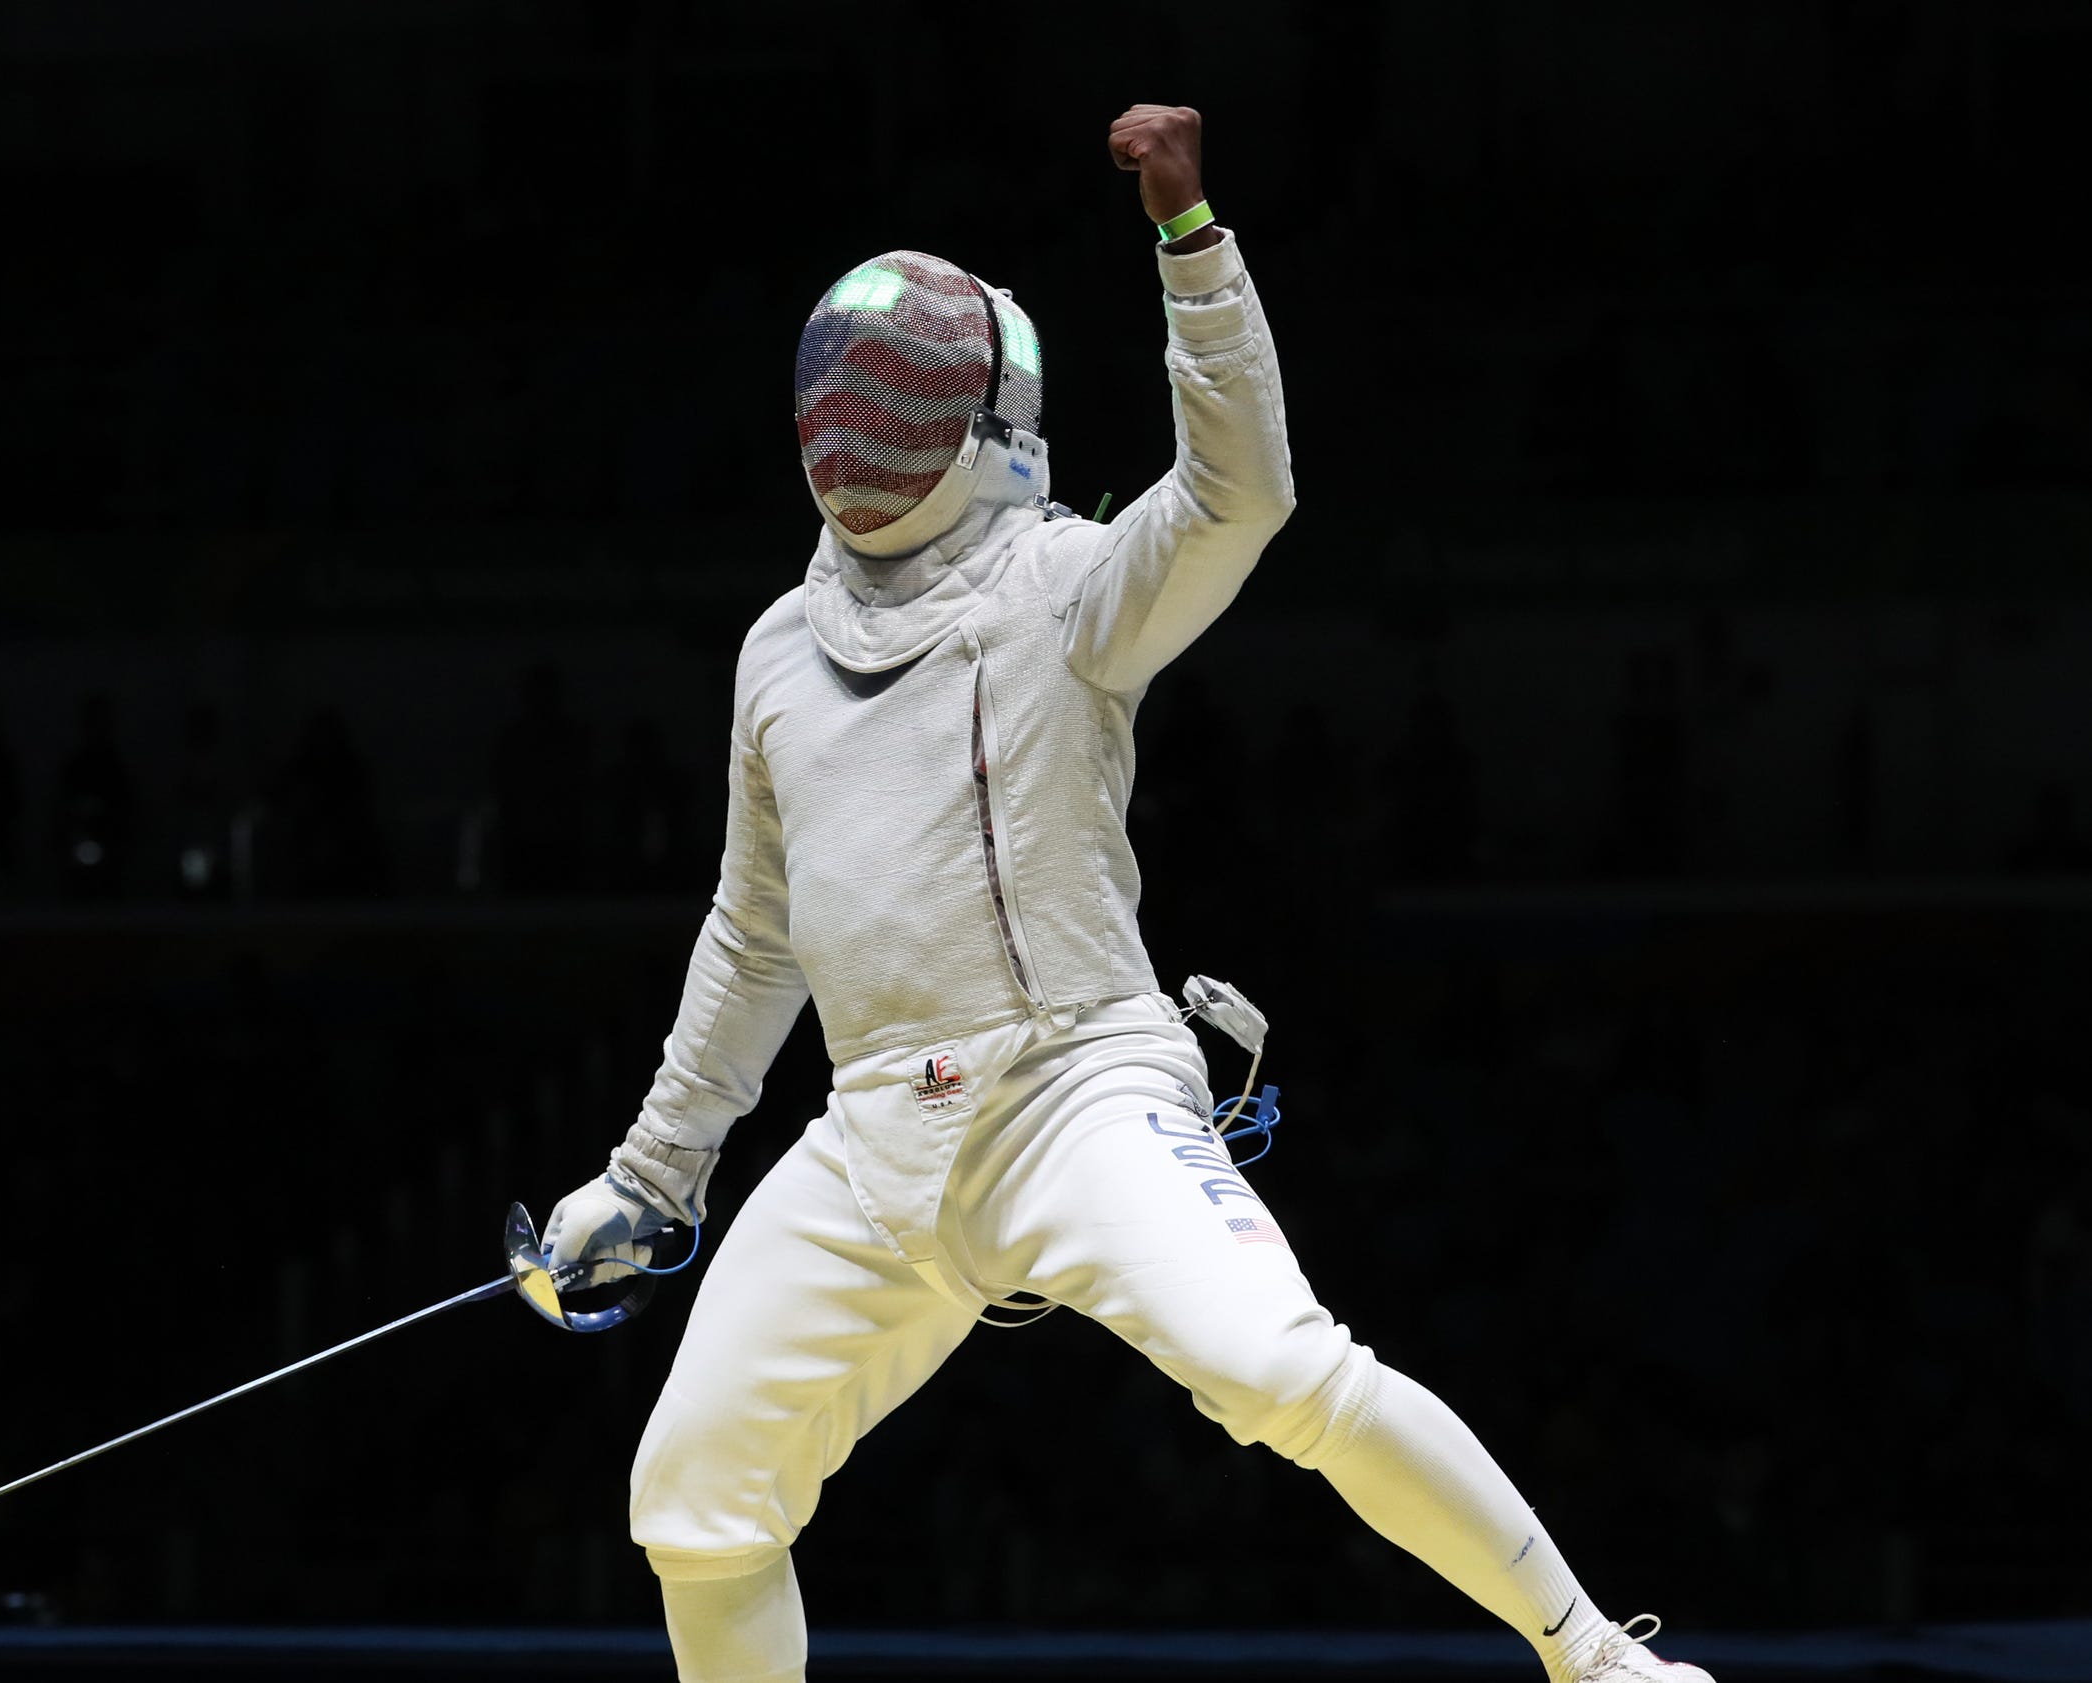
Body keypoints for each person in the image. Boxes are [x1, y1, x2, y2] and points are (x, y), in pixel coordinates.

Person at [536, 105, 1710, 1683]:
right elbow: (757, 937)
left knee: (1277, 1368)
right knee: (691, 1503)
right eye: (848, 396)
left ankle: (1595, 1658)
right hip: (877, 1136)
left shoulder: (1066, 589)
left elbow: (1239, 495)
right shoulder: (774, 655)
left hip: (1073, 1085)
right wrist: (652, 1176)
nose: (859, 421)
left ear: (974, 418)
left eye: (893, 397)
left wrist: (1192, 246)